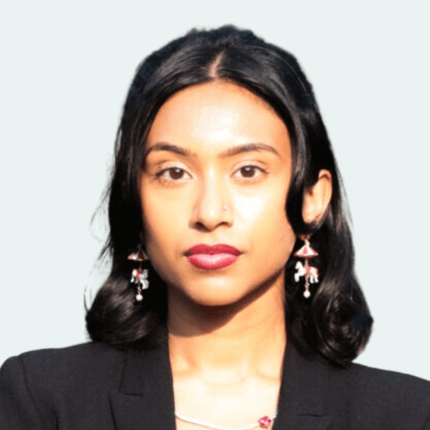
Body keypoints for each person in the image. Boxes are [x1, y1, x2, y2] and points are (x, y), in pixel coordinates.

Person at [1, 25, 429, 430]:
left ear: (311, 198)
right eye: (173, 173)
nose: (209, 212)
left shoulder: (406, 415)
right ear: (134, 198)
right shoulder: (42, 399)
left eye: (248, 170)